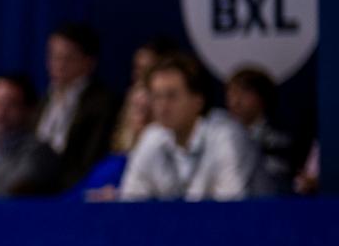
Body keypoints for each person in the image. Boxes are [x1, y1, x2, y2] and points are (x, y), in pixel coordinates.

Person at [120, 55, 256, 201]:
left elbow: (233, 211)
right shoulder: (152, 138)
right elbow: (131, 205)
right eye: (157, 96)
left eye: (171, 96)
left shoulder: (228, 137)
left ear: (198, 101)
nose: (162, 107)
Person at [36, 23, 118, 191]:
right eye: (53, 57)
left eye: (66, 58)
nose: (58, 65)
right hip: (35, 192)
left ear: (88, 62)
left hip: (72, 193)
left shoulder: (101, 104)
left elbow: (91, 160)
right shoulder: (44, 101)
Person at [70, 82, 152, 200]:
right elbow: (73, 199)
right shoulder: (110, 165)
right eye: (138, 109)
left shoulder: (164, 163)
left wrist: (120, 195)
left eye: (148, 109)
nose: (144, 118)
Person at [223, 66, 294, 196]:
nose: (235, 101)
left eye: (243, 92)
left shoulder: (283, 137)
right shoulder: (219, 138)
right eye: (232, 92)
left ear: (262, 97)